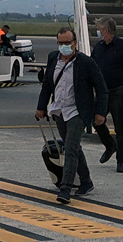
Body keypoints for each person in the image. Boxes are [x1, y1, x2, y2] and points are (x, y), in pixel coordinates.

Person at [35, 28, 109, 203]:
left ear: (75, 43)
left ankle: (66, 188)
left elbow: (102, 89)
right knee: (73, 146)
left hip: (78, 111)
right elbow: (47, 85)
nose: (64, 46)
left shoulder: (86, 63)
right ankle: (86, 181)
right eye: (60, 43)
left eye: (67, 43)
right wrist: (41, 107)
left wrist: (100, 113)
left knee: (70, 148)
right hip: (59, 109)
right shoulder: (53, 58)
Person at [89, 17, 123, 173]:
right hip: (102, 92)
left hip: (119, 90)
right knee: (96, 120)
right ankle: (110, 145)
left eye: (99, 28)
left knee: (120, 127)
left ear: (106, 30)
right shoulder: (98, 47)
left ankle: (121, 160)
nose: (97, 31)